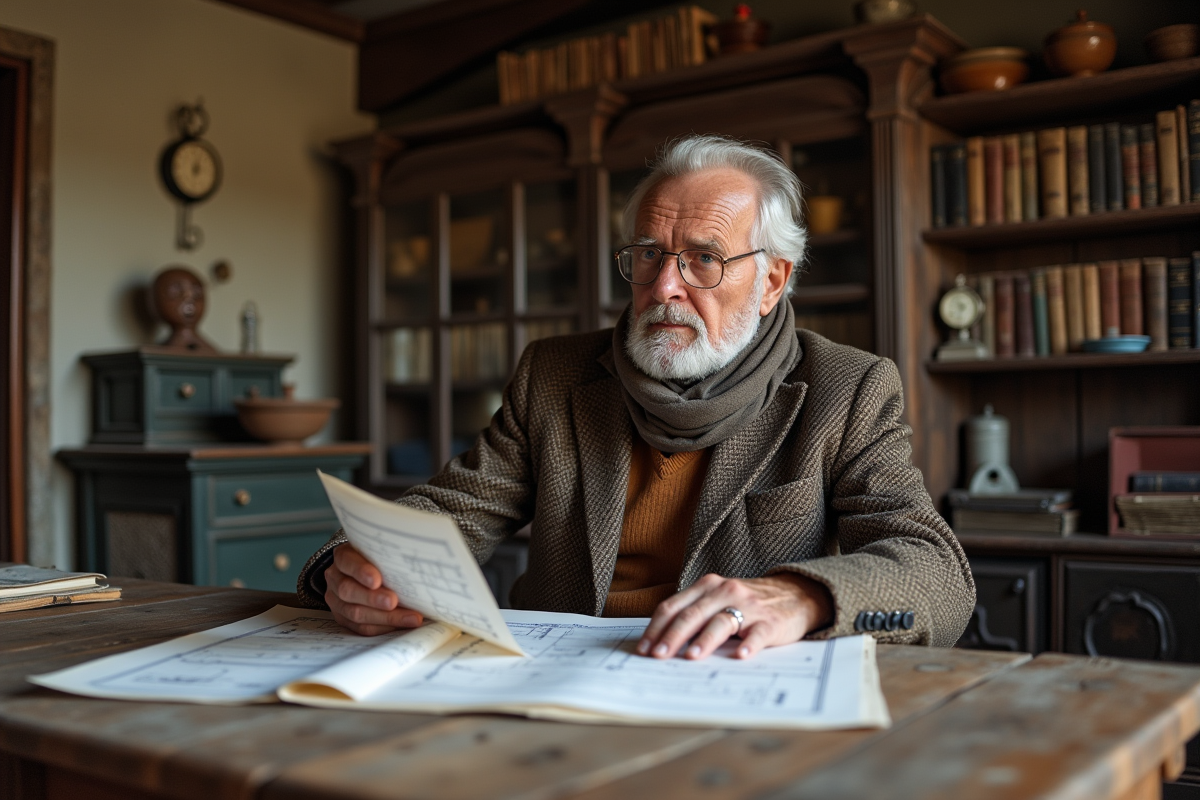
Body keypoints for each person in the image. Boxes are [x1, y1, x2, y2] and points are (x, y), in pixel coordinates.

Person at [296, 134, 975, 660]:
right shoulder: (555, 374)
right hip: (551, 682)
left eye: (704, 258)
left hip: (727, 691)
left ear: (771, 282)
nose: (664, 288)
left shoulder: (847, 389)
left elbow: (938, 573)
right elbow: (453, 510)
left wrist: (800, 596)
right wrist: (350, 568)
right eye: (649, 254)